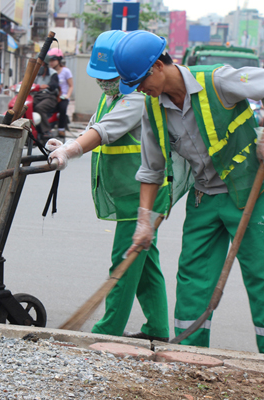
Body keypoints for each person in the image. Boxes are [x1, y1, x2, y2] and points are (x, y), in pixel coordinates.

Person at [114, 30, 264, 356]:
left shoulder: (218, 80)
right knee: (193, 279)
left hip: (249, 191)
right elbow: (151, 170)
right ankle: (189, 355)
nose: (140, 88)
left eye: (140, 80)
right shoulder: (152, 110)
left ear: (158, 65)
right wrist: (144, 220)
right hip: (204, 197)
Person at [45, 31, 171, 341]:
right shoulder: (111, 96)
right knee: (145, 260)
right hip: (127, 191)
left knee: (124, 261)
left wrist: (71, 151)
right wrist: (65, 144)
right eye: (101, 78)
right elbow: (90, 128)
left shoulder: (139, 97)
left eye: (110, 77)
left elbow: (105, 130)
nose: (104, 84)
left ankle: (108, 330)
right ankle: (157, 329)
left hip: (141, 195)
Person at [47, 48, 73, 139]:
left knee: (62, 108)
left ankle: (61, 129)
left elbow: (71, 86)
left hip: (63, 97)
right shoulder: (49, 71)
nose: (51, 63)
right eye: (50, 60)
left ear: (59, 60)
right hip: (52, 96)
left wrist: (67, 96)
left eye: (53, 60)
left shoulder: (66, 71)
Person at [32, 59, 59, 141]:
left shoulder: (53, 73)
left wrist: (47, 86)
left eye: (41, 64)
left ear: (45, 64)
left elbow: (54, 84)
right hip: (37, 96)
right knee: (27, 106)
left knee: (39, 107)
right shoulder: (36, 74)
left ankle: (47, 130)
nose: (39, 66)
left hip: (49, 96)